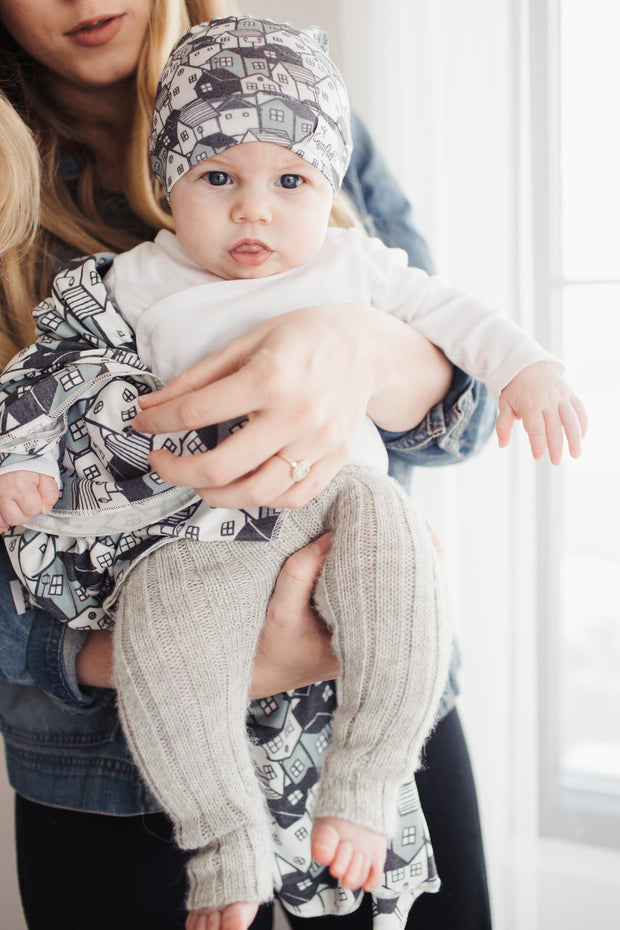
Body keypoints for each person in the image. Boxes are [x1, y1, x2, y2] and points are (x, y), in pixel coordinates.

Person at [0, 16, 588, 930]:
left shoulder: (352, 260)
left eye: (290, 182)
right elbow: (49, 371)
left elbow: (456, 323)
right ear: (169, 179)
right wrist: (25, 458)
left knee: (395, 552)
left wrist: (524, 366)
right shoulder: (140, 279)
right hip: (203, 539)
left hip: (336, 511)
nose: (255, 211)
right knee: (162, 615)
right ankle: (223, 841)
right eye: (217, 178)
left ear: (326, 183)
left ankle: (368, 782)